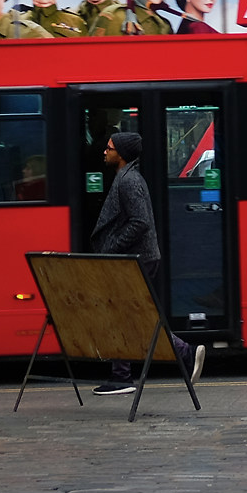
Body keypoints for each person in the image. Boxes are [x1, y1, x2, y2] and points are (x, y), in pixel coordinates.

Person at [89, 132, 204, 395]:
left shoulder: (129, 181)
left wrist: (112, 246)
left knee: (125, 316)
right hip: (138, 258)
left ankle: (123, 376)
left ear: (122, 154)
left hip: (137, 259)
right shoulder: (126, 177)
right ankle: (177, 356)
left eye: (109, 148)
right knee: (130, 316)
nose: (104, 152)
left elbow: (140, 222)